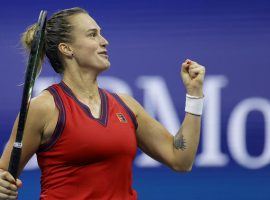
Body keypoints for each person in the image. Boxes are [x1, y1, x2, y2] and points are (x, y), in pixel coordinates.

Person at [0, 7, 205, 200]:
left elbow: (181, 159)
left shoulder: (126, 105)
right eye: (92, 35)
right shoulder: (43, 108)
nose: (104, 41)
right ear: (67, 48)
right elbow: (3, 174)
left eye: (101, 33)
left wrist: (194, 95)